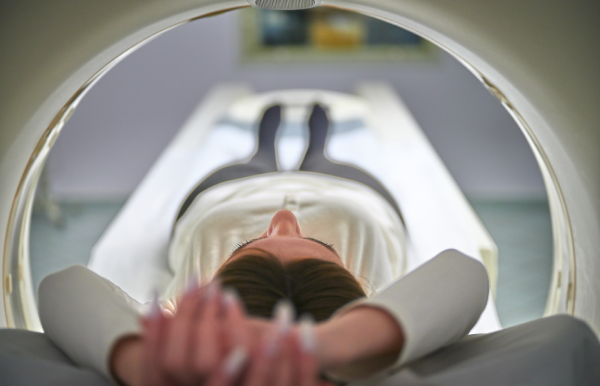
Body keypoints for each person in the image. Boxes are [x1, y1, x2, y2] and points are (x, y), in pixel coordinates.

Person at [38, 105, 490, 386]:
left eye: (247, 248)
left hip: (227, 195)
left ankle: (270, 137)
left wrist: (146, 366)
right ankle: (313, 131)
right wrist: (323, 345)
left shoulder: (194, 310)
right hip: (349, 192)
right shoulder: (376, 321)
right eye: (317, 244)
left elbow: (60, 288)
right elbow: (464, 274)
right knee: (323, 156)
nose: (284, 221)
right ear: (362, 289)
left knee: (253, 159)